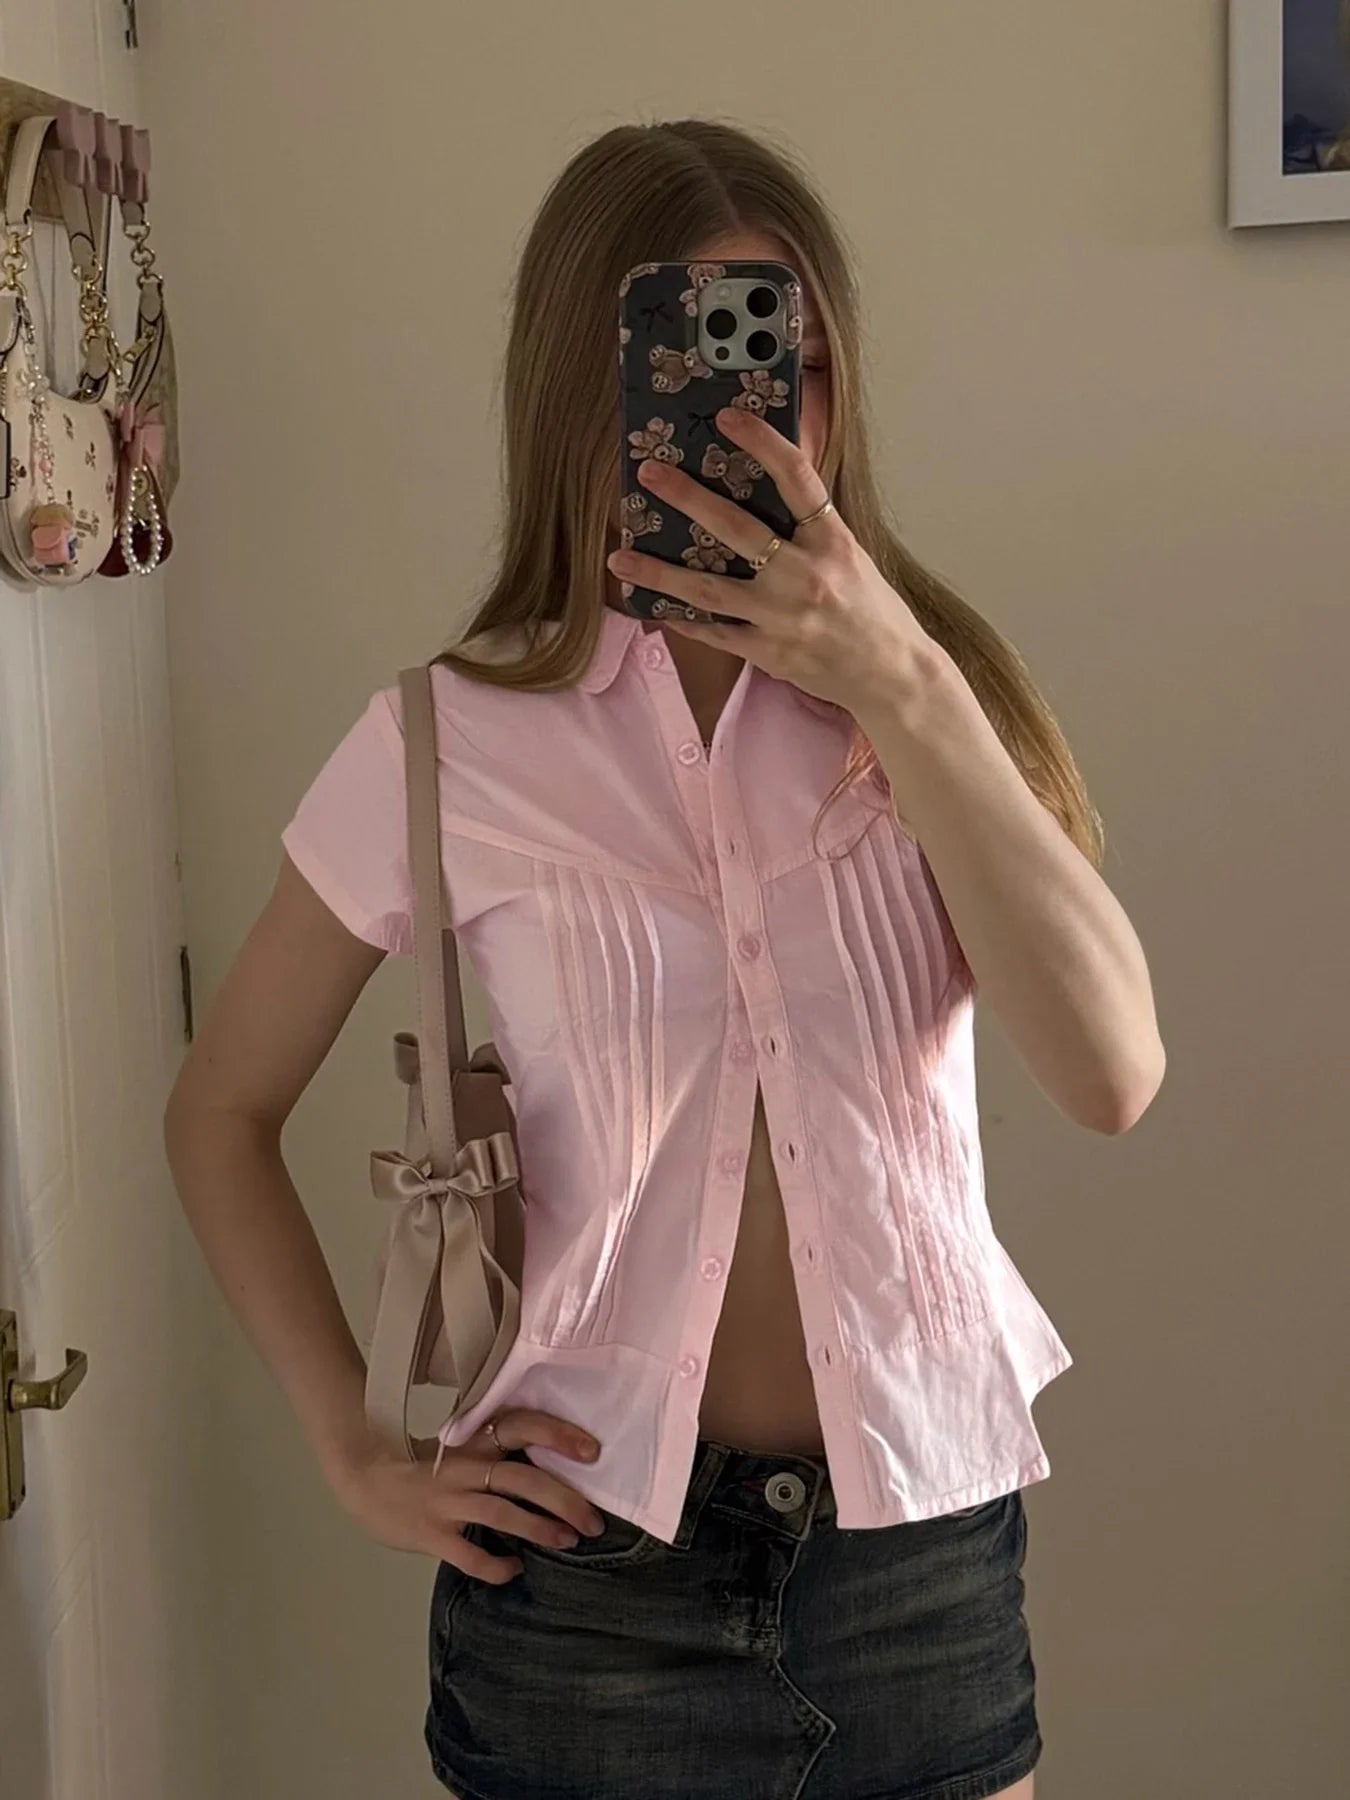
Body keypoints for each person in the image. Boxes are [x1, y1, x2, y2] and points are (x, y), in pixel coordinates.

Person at [164, 117, 1165, 1800]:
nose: (765, 423)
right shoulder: (445, 741)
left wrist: (905, 686)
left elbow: (1111, 1075)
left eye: (796, 367)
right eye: (694, 371)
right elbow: (220, 1110)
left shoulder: (934, 703)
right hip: (581, 1584)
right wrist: (353, 1444)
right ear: (589, 388)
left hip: (914, 1559)